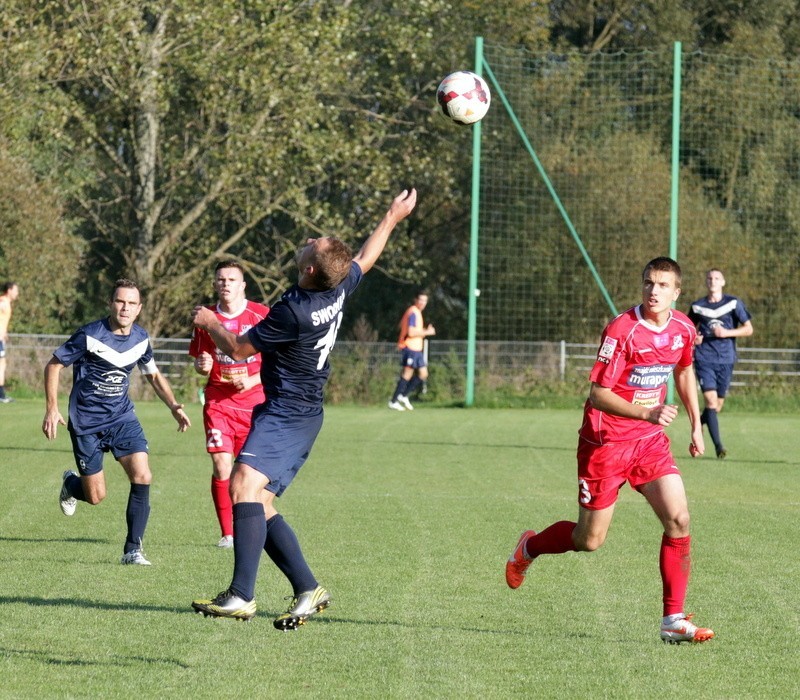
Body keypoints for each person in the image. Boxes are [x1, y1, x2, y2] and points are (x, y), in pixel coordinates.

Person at [191, 188, 417, 629]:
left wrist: (210, 322)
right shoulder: (335, 286)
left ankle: (241, 595)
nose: (312, 238)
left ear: (309, 268)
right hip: (300, 411)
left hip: (288, 413)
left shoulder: (293, 310)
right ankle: (307, 587)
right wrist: (391, 216)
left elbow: (237, 348)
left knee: (241, 485)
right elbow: (365, 260)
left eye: (314, 244)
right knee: (261, 503)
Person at [505, 257, 715, 645]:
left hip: (649, 443)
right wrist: (647, 411)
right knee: (590, 540)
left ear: (677, 292)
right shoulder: (622, 330)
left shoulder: (684, 328)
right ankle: (529, 547)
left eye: (663, 285)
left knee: (679, 519)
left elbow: (684, 370)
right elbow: (597, 395)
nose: (654, 291)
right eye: (649, 283)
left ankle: (672, 618)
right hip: (606, 444)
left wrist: (694, 424)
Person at [42, 279, 191, 565]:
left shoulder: (141, 338)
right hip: (86, 422)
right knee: (96, 496)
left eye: (131, 303)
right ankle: (72, 485)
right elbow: (54, 365)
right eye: (120, 301)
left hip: (122, 417)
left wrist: (173, 405)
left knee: (143, 475)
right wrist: (52, 408)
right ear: (111, 304)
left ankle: (132, 550)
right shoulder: (90, 334)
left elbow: (153, 375)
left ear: (139, 309)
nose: (125, 307)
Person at [189, 261, 269, 548]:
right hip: (219, 403)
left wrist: (252, 380)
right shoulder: (205, 318)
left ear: (243, 285)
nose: (226, 283)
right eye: (220, 279)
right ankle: (228, 534)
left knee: (248, 473)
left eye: (232, 279)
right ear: (214, 284)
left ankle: (253, 527)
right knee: (222, 465)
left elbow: (278, 360)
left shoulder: (261, 315)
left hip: (254, 405)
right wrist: (203, 365)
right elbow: (201, 363)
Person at [687, 268, 753, 459]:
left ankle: (698, 424)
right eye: (709, 278)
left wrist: (727, 333)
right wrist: (695, 339)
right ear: (706, 282)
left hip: (726, 359)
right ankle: (719, 447)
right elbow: (688, 331)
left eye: (717, 278)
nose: (713, 281)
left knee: (716, 406)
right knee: (710, 401)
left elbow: (748, 329)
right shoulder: (698, 306)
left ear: (723, 282)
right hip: (704, 358)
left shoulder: (733, 303)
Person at [388, 291, 435, 411]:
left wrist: (423, 331)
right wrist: (427, 332)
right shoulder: (413, 312)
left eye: (425, 301)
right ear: (416, 300)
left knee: (424, 374)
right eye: (421, 300)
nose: (423, 303)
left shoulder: (416, 312)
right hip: (409, 347)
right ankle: (394, 401)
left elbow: (406, 327)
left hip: (416, 348)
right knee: (407, 374)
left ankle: (403, 395)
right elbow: (411, 332)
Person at [0, 281, 20, 403]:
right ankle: (1, 395)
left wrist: (4, 332)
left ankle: (1, 394)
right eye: (16, 290)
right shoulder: (2, 302)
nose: (17, 293)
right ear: (9, 290)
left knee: (2, 364)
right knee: (1, 365)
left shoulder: (6, 303)